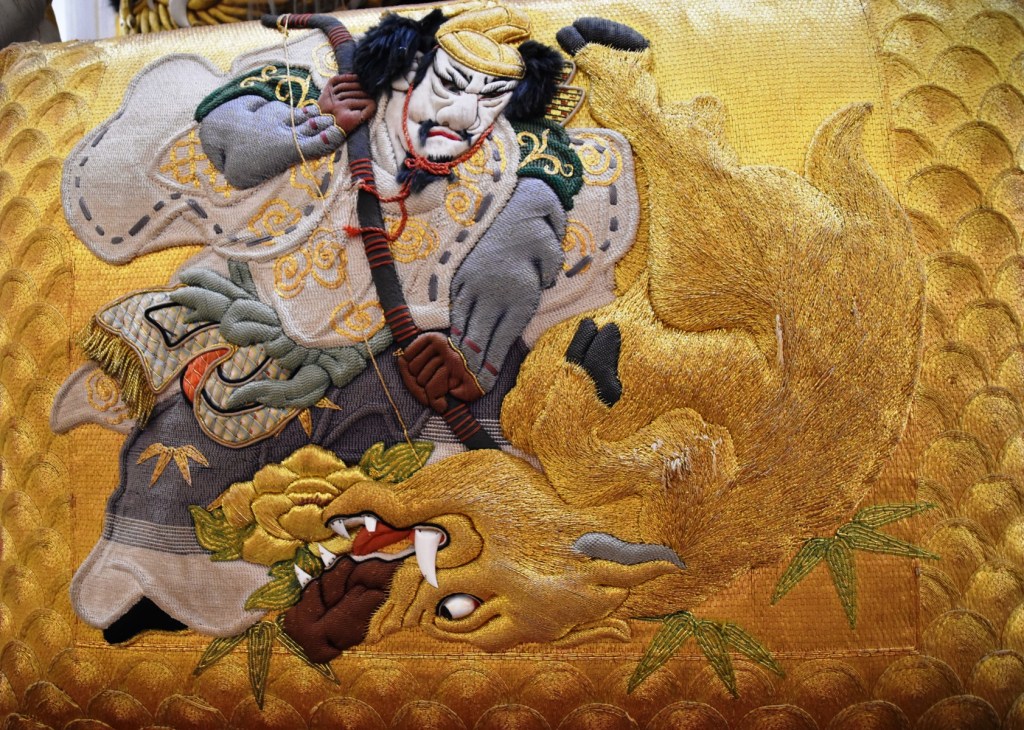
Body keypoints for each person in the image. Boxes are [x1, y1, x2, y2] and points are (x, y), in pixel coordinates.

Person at [54, 5, 638, 641]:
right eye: (449, 86)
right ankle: (157, 596)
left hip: (407, 358)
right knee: (176, 461)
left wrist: (476, 348)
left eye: (490, 98)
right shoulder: (325, 79)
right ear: (408, 72)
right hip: (261, 331)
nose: (462, 116)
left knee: (480, 454)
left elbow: (532, 219)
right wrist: (314, 125)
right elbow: (227, 127)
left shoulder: (515, 157)